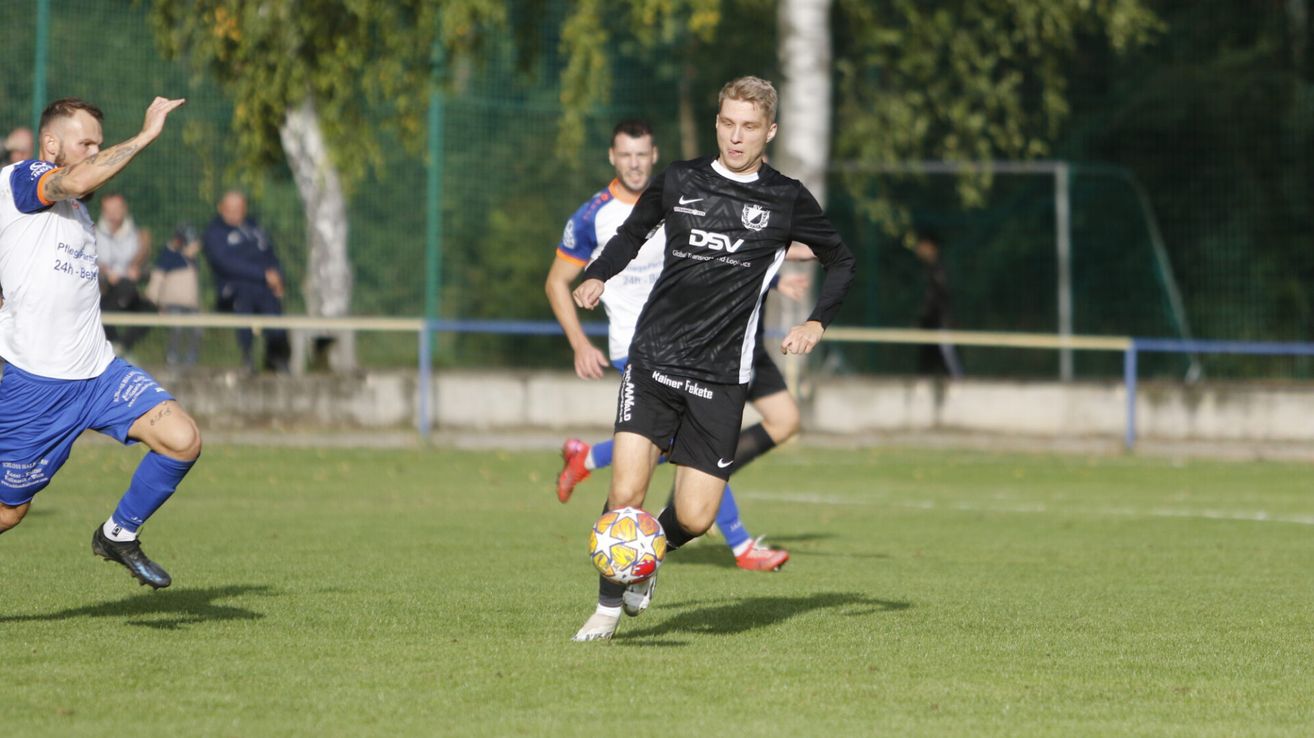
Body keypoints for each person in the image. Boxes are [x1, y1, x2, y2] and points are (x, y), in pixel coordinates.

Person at [568, 76, 856, 641]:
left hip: (722, 378)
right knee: (625, 492)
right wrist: (598, 274)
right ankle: (606, 607)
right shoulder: (681, 178)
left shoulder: (787, 198)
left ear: (770, 131)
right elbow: (631, 233)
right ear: (717, 123)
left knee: (696, 517)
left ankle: (649, 551)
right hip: (655, 359)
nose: (736, 136)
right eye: (728, 123)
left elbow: (841, 260)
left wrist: (816, 322)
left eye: (749, 127)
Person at [547, 119, 799, 574]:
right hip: (641, 344)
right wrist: (580, 343)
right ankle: (739, 544)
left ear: (654, 155)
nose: (635, 164)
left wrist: (778, 276)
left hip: (706, 339)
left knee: (706, 442)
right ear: (612, 157)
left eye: (642, 154)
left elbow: (726, 251)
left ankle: (589, 457)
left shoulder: (682, 196)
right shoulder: (594, 216)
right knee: (689, 444)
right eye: (626, 155)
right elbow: (556, 282)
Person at [0, 96, 200, 589]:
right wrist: (145, 136)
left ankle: (118, 535)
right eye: (86, 142)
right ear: (51, 144)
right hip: (39, 386)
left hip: (100, 375)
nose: (95, 151)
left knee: (182, 440)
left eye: (99, 143)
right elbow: (73, 180)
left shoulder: (76, 212)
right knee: (9, 512)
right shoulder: (25, 177)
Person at [202, 190, 290, 373]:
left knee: (273, 305)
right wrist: (262, 275)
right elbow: (226, 264)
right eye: (231, 208)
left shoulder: (253, 228)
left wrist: (277, 277)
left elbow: (270, 255)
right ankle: (246, 357)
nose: (235, 213)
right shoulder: (214, 232)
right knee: (245, 294)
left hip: (263, 287)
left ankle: (277, 356)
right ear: (221, 208)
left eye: (239, 208)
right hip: (234, 290)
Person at [96, 192, 155, 355]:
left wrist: (137, 268)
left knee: (149, 310)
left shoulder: (138, 234)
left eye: (116, 209)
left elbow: (143, 263)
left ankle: (121, 347)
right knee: (103, 309)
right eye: (108, 210)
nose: (113, 215)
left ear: (124, 209)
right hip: (106, 291)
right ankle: (114, 348)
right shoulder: (93, 234)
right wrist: (105, 272)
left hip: (129, 290)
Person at [147, 224, 202, 369]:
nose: (197, 247)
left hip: (190, 306)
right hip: (172, 304)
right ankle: (172, 358)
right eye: (193, 243)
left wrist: (198, 304)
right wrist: (153, 301)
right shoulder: (169, 256)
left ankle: (191, 361)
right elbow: (157, 279)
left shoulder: (193, 261)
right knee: (176, 330)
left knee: (197, 330)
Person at [911, 230, 963, 377]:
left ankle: (961, 385)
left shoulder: (939, 270)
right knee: (928, 362)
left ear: (931, 246)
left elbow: (939, 298)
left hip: (940, 324)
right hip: (932, 324)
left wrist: (928, 316)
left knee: (949, 359)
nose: (918, 248)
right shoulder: (931, 270)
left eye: (922, 244)